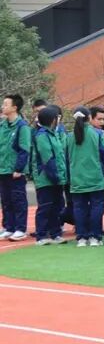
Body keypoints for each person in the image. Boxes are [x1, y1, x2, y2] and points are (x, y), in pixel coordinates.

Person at [66, 107, 104, 247]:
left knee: (79, 208)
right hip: (95, 177)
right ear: (89, 117)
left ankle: (81, 237)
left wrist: (69, 177)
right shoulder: (98, 134)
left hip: (77, 178)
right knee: (96, 206)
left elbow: (66, 158)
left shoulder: (69, 137)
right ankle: (95, 237)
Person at [30, 106, 67, 245]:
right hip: (45, 178)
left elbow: (60, 155)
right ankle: (41, 235)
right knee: (45, 207)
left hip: (56, 177)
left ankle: (55, 233)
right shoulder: (42, 135)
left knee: (56, 207)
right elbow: (47, 158)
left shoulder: (53, 134)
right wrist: (55, 176)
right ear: (52, 120)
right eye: (57, 118)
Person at [0, 94, 31, 241]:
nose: (3, 106)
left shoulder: (22, 126)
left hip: (15, 172)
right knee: (6, 200)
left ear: (14, 107)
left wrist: (19, 169)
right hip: (3, 169)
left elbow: (24, 149)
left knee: (18, 200)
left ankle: (20, 229)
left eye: (6, 104)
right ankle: (8, 227)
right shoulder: (2, 126)